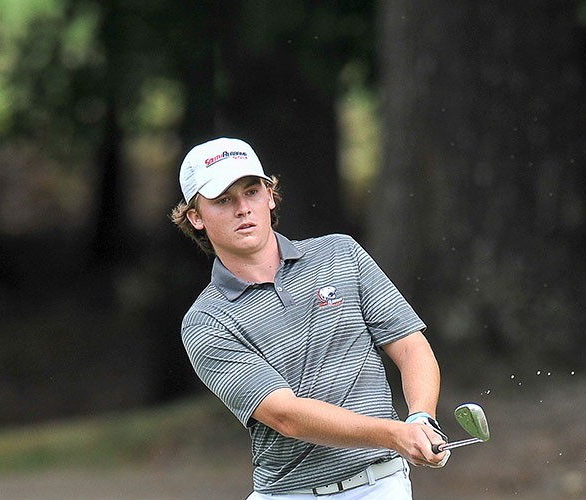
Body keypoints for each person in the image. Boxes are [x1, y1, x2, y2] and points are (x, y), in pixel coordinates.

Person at [170, 137, 449, 499]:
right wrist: (394, 434)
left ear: (269, 196)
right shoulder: (207, 320)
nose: (243, 208)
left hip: (379, 485)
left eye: (252, 192)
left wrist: (421, 418)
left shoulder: (340, 253)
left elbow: (410, 346)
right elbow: (287, 415)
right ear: (196, 217)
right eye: (224, 200)